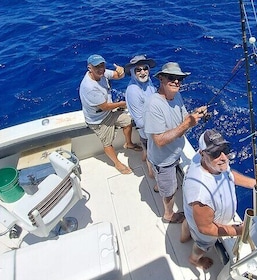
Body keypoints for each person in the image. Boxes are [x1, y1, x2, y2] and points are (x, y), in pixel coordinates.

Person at [180, 129, 257, 270]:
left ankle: (183, 237)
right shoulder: (201, 195)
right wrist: (239, 230)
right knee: (202, 245)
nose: (224, 157)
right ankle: (194, 260)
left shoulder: (209, 162)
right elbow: (206, 228)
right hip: (205, 228)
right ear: (202, 154)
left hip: (194, 216)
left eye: (225, 149)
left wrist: (255, 184)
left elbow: (229, 174)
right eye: (215, 153)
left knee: (189, 221)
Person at [144, 62, 207, 223]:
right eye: (171, 78)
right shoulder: (154, 104)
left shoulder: (176, 96)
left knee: (164, 183)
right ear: (161, 79)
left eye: (180, 79)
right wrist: (187, 124)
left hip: (174, 153)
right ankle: (168, 215)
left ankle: (160, 185)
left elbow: (184, 119)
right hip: (164, 160)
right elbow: (158, 140)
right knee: (170, 190)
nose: (177, 81)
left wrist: (195, 115)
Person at [79, 54, 142, 175]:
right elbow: (104, 106)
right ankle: (117, 164)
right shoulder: (89, 87)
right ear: (89, 68)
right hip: (98, 120)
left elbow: (117, 76)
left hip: (109, 113)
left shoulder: (102, 73)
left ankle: (129, 144)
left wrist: (121, 72)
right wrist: (122, 104)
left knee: (127, 121)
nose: (101, 68)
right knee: (107, 143)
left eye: (102, 65)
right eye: (97, 66)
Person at [124, 55, 158, 191]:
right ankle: (151, 173)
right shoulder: (133, 91)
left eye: (145, 69)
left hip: (150, 129)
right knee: (152, 155)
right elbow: (140, 121)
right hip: (148, 131)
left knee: (146, 149)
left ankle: (144, 157)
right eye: (138, 70)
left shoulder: (148, 83)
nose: (143, 72)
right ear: (133, 72)